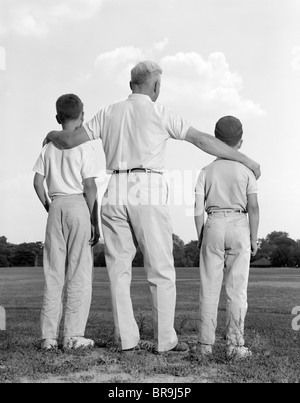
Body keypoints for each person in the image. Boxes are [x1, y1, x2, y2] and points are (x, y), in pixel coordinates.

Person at [44, 61, 261, 354]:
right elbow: (201, 140)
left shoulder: (108, 112)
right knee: (160, 268)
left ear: (131, 83)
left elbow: (69, 139)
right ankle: (164, 340)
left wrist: (52, 135)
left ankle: (127, 340)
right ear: (155, 85)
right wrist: (246, 160)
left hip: (116, 187)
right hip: (147, 188)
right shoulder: (161, 113)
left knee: (119, 270)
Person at [33, 94, 100, 351]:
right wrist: (94, 220)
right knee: (79, 273)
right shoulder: (85, 146)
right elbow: (90, 186)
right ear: (82, 116)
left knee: (53, 274)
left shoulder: (48, 147)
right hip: (79, 206)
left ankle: (48, 338)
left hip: (56, 205)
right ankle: (72, 335)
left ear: (57, 118)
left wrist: (48, 205)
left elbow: (38, 183)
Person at [194, 116, 260, 359]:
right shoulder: (246, 170)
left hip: (213, 223)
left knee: (209, 288)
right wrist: (254, 238)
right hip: (239, 224)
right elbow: (253, 207)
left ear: (215, 139)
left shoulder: (206, 171)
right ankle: (234, 345)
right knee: (236, 289)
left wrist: (200, 235)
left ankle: (205, 346)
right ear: (240, 142)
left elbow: (197, 208)